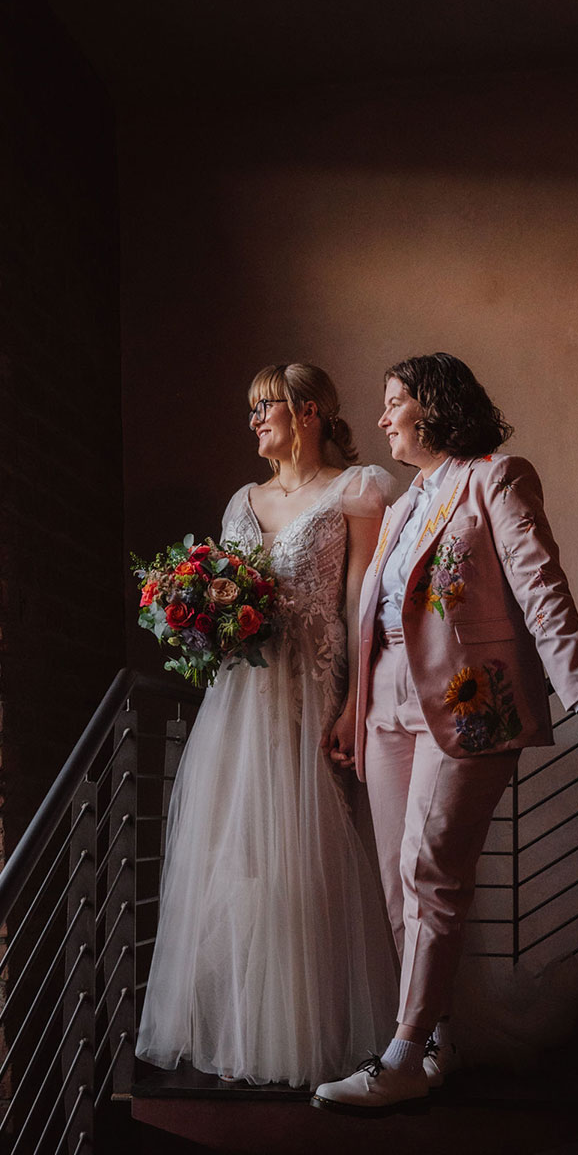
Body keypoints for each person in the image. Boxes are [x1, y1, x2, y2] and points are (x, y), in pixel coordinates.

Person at [313, 353, 578, 1116]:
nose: (383, 417)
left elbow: (540, 586)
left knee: (429, 871)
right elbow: (379, 620)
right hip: (387, 704)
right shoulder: (407, 500)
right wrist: (356, 709)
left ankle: (399, 1053)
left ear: (435, 406)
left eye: (394, 402)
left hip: (467, 705)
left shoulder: (497, 476)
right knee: (397, 877)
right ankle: (436, 1040)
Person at [137, 362, 399, 1088]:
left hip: (312, 691)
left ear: (308, 412)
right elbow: (233, 594)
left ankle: (322, 1030)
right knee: (238, 853)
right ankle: (246, 1024)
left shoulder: (357, 490)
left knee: (312, 853)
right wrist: (200, 617)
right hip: (240, 697)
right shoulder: (242, 500)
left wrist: (353, 704)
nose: (255, 421)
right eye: (251, 410)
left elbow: (359, 606)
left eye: (267, 408)